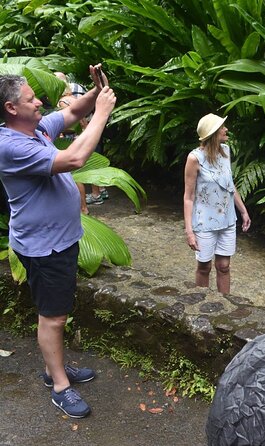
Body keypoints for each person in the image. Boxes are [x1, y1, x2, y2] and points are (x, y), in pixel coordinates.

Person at [0, 66, 115, 418]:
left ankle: (54, 369)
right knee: (53, 318)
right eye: (30, 99)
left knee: (57, 312)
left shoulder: (33, 128)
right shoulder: (9, 145)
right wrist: (103, 114)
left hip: (59, 240)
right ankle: (60, 385)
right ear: (11, 108)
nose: (39, 103)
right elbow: (74, 158)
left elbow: (71, 112)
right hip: (43, 246)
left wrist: (96, 93)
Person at [183, 113, 251, 294]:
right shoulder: (194, 158)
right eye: (222, 127)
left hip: (227, 220)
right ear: (213, 133)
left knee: (224, 266)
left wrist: (243, 211)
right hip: (204, 222)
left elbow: (230, 185)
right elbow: (188, 197)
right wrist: (189, 231)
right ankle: (201, 306)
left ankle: (225, 306)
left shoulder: (225, 151)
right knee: (204, 266)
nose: (226, 129)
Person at [54, 72, 93, 215]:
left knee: (73, 176)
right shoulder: (74, 99)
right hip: (77, 136)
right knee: (78, 174)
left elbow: (64, 124)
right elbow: (83, 120)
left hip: (68, 139)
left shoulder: (63, 102)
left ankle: (82, 208)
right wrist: (86, 132)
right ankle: (84, 207)